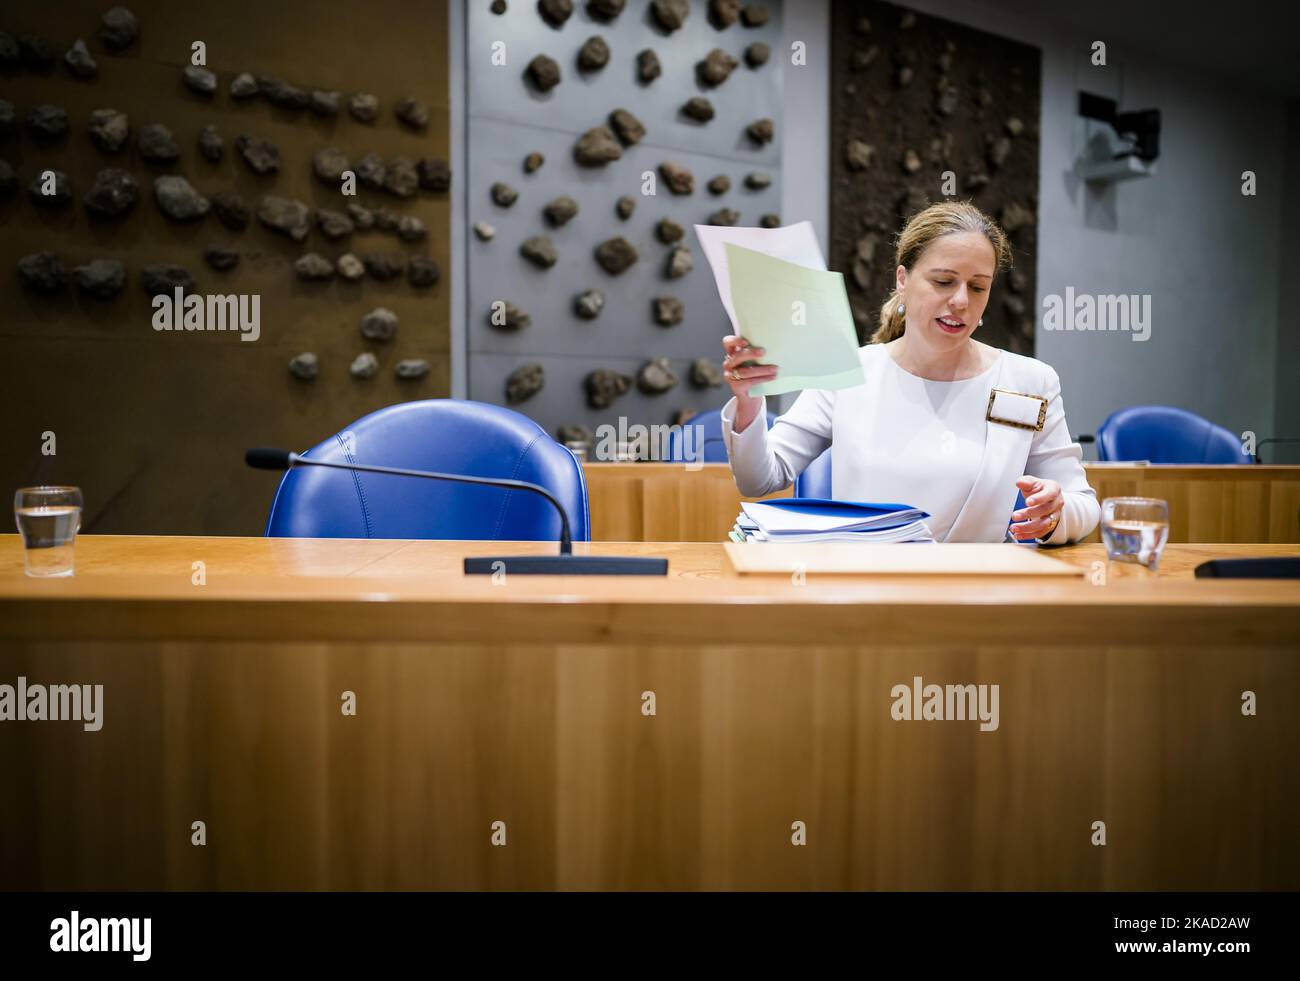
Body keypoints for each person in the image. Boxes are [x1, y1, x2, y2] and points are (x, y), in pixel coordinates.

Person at [719, 201, 1099, 544]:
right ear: (903, 280)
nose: (961, 301)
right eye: (943, 281)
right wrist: (748, 400)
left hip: (978, 598)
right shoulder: (848, 371)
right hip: (866, 592)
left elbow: (1082, 504)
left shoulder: (1030, 381)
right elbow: (759, 480)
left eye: (978, 287)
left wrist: (1055, 516)